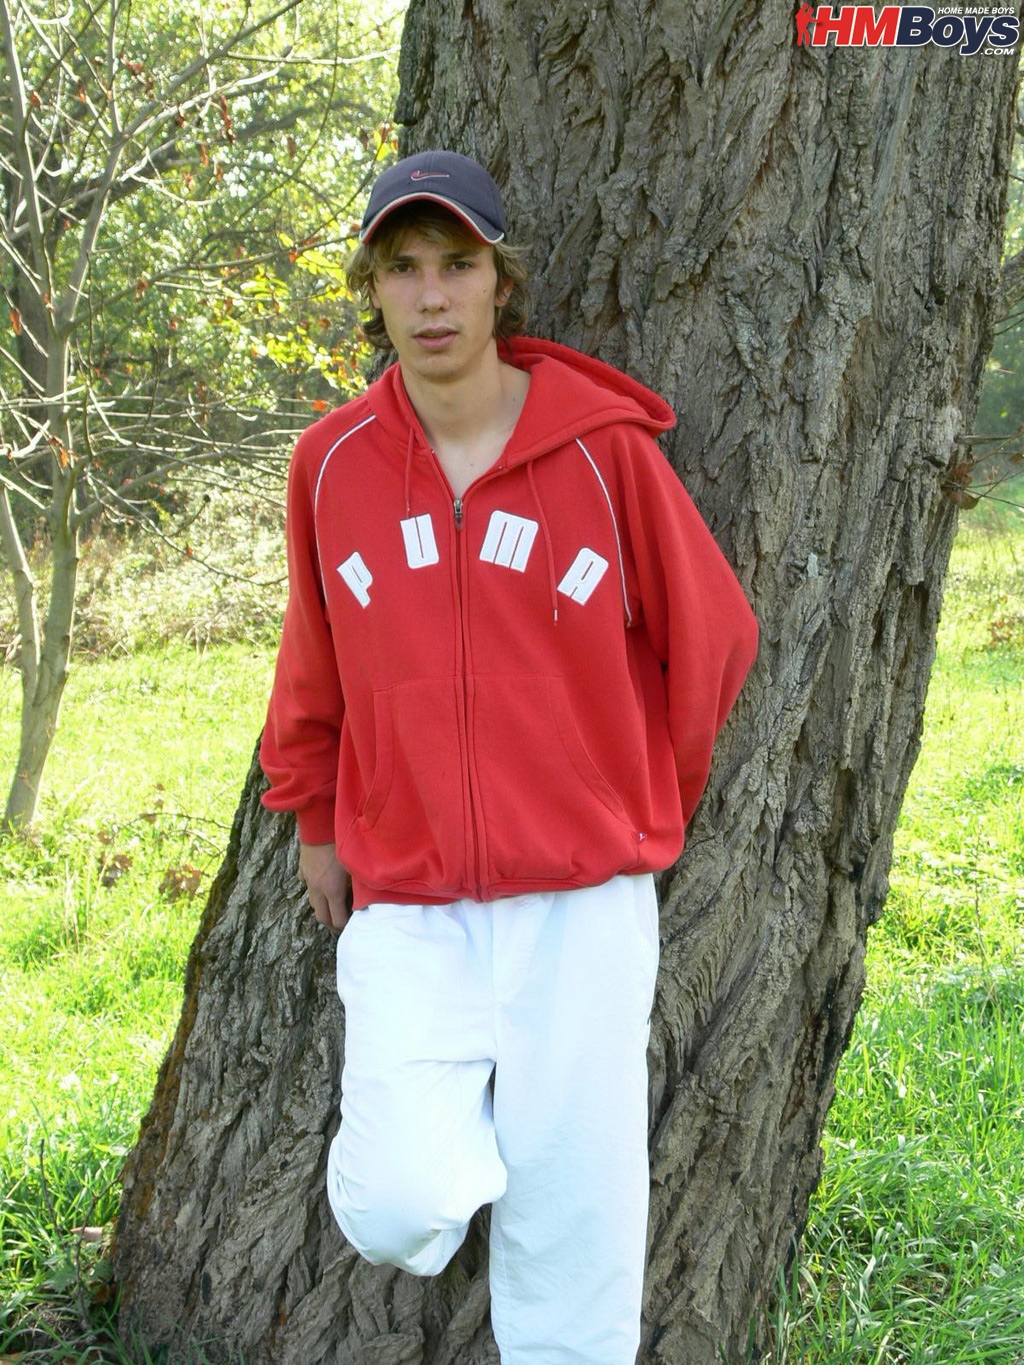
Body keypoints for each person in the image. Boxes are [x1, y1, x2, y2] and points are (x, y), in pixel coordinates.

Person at [259, 149, 758, 1364]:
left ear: (500, 283)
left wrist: (633, 800)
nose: (431, 297)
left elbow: (713, 638)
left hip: (582, 900)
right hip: (410, 895)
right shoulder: (331, 464)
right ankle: (482, 1135)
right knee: (401, 1199)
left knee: (577, 1217)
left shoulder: (602, 452)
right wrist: (316, 819)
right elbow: (313, 662)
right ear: (373, 289)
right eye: (402, 269)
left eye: (457, 265)